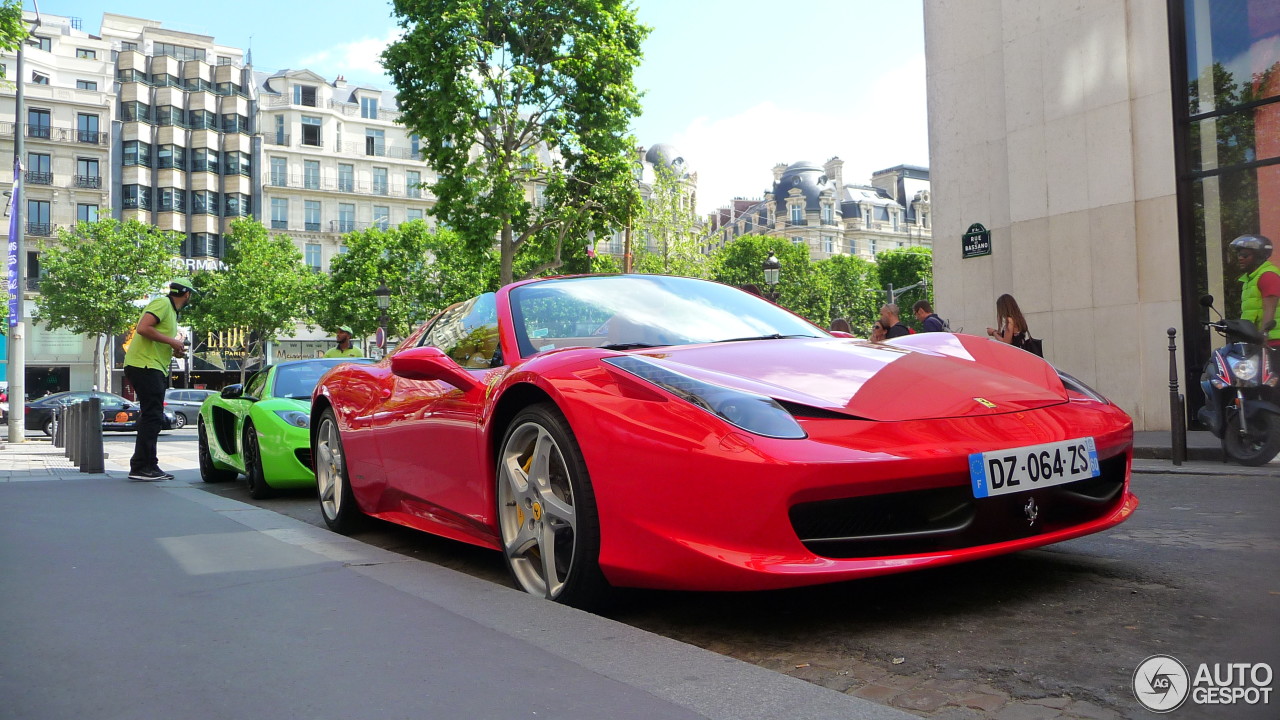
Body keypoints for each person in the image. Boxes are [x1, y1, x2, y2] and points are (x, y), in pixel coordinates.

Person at [123, 278, 196, 481]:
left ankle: (146, 465)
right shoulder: (163, 304)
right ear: (187, 294)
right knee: (152, 416)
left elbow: (154, 338)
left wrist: (174, 350)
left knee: (152, 415)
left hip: (150, 366)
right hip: (145, 366)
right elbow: (143, 328)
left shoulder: (171, 312)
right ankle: (142, 467)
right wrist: (172, 341)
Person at [1230, 234, 1280, 350]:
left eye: (1245, 255)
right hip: (1257, 341)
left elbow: (1269, 309)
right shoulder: (1250, 279)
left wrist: (1263, 335)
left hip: (1273, 343)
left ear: (1259, 256)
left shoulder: (1267, 276)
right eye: (1239, 254)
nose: (1240, 258)